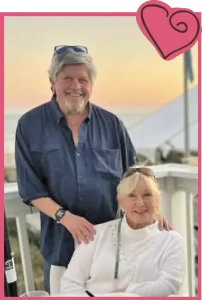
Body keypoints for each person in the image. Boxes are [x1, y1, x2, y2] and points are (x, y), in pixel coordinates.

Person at [15, 45, 172, 294]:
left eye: (82, 79)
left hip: (111, 248)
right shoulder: (29, 126)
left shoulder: (112, 124)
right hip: (61, 247)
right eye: (67, 78)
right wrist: (66, 218)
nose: (75, 86)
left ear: (91, 84)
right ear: (52, 82)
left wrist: (151, 208)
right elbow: (30, 188)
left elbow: (134, 175)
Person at [59, 167, 185, 297]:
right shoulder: (96, 234)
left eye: (147, 195)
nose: (140, 203)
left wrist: (125, 295)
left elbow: (169, 285)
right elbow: (70, 282)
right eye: (132, 195)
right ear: (121, 202)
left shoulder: (172, 240)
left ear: (157, 199)